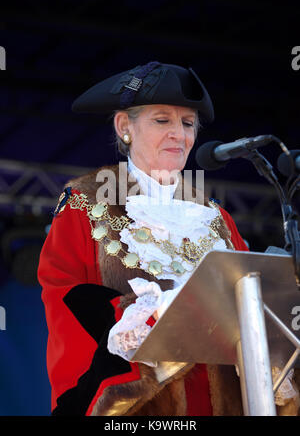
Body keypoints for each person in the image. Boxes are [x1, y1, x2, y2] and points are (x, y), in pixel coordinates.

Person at [37, 61, 299, 416]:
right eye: (163, 120)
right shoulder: (85, 201)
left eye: (188, 123)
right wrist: (143, 318)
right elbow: (63, 295)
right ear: (124, 126)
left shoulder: (214, 216)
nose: (180, 134)